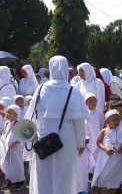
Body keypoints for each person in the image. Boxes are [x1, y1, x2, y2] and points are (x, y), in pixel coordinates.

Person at [25, 55, 89, 194]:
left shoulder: (41, 88)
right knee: (64, 176)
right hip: (66, 139)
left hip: (43, 138)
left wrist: (30, 137)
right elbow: (79, 121)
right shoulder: (73, 91)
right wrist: (81, 142)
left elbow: (31, 117)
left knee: (43, 174)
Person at [91, 110, 122, 193]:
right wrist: (105, 149)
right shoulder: (103, 131)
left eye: (117, 119)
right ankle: (99, 187)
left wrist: (121, 149)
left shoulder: (120, 132)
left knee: (114, 175)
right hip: (105, 158)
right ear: (107, 121)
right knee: (103, 174)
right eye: (113, 120)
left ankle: (113, 188)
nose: (116, 122)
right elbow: (98, 142)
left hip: (116, 159)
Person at [1, 105, 25, 191]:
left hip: (15, 148)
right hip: (7, 148)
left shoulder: (18, 124)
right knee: (8, 165)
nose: (6, 114)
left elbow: (22, 137)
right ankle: (10, 181)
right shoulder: (7, 123)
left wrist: (14, 144)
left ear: (16, 115)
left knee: (16, 165)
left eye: (9, 112)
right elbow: (6, 134)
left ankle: (19, 182)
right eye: (6, 112)